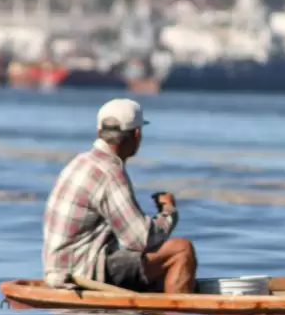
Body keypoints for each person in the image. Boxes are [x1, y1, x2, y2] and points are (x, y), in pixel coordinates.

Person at [42, 98, 197, 293]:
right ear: (137, 135)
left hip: (58, 270)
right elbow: (140, 239)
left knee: (156, 262)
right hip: (82, 273)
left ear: (99, 132)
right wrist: (168, 211)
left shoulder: (80, 162)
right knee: (181, 250)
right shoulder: (109, 173)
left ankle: (157, 313)